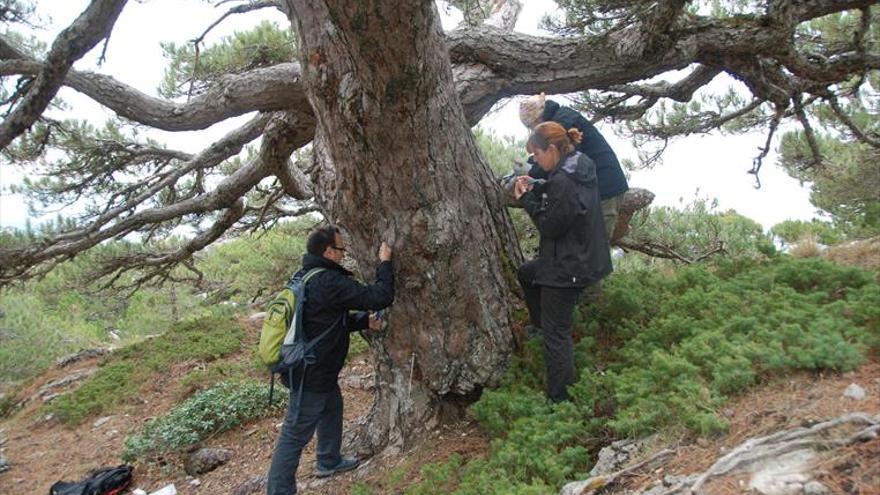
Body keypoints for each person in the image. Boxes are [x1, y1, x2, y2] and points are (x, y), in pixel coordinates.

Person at [266, 225, 394, 495]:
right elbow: (379, 296)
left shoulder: (306, 276)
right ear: (328, 252)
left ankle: (328, 460)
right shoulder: (330, 281)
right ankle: (279, 490)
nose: (344, 254)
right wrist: (385, 263)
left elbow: (326, 320)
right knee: (294, 434)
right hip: (311, 373)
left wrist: (362, 321)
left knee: (332, 408)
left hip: (314, 368)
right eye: (341, 249)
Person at [513, 122, 612, 403]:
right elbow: (566, 203)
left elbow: (550, 226)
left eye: (537, 155)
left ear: (553, 148)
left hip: (567, 266)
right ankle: (540, 323)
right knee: (526, 274)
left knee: (557, 336)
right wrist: (540, 185)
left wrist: (527, 199)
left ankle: (560, 401)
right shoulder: (580, 162)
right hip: (584, 255)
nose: (536, 161)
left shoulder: (563, 181)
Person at [519, 93, 629, 241]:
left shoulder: (561, 123)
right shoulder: (563, 117)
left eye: (532, 127)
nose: (534, 131)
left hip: (603, 189)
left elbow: (554, 161)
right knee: (585, 247)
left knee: (594, 249)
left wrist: (529, 174)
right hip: (599, 185)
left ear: (537, 119)